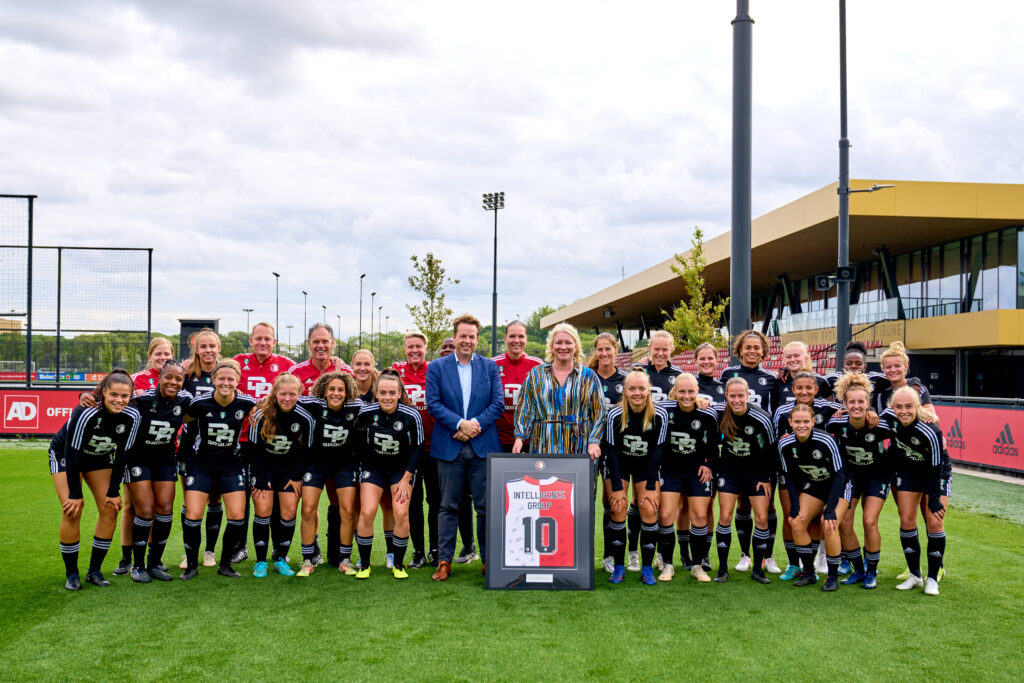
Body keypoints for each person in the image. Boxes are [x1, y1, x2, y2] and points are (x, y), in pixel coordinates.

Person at [426, 314, 504, 581]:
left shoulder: (490, 367)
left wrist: (474, 425)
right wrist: (459, 424)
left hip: (483, 446)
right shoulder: (437, 367)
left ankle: (488, 560)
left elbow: (497, 404)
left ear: (477, 339)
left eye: (472, 336)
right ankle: (444, 562)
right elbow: (433, 404)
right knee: (448, 506)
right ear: (455, 337)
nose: (467, 340)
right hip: (450, 445)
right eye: (463, 336)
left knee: (485, 508)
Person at [51, 370, 141, 590]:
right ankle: (72, 573)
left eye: (124, 396)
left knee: (110, 508)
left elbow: (123, 455)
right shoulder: (86, 411)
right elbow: (72, 452)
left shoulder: (133, 415)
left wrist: (113, 490)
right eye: (113, 395)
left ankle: (94, 571)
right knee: (72, 509)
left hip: (100, 457)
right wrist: (75, 494)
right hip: (66, 456)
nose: (119, 400)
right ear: (103, 392)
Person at [394, 332, 476, 569]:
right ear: (405, 349)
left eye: (419, 347)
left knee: (436, 500)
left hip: (434, 447)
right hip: (407, 449)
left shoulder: (435, 370)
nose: (414, 351)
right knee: (412, 501)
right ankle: (417, 551)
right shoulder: (397, 371)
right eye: (410, 347)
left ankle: (435, 548)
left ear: (426, 348)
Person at [179, 359, 257, 579]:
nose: (225, 382)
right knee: (193, 515)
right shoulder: (199, 403)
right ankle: (192, 564)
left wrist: (257, 412)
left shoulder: (246, 402)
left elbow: (264, 408)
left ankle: (224, 564)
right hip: (201, 464)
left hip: (230, 466)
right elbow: (178, 416)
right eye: (221, 378)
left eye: (230, 379)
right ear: (213, 380)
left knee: (237, 516)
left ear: (237, 381)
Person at [121, 361, 193, 582]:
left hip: (165, 460)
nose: (173, 382)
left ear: (183, 382)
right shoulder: (141, 398)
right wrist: (86, 397)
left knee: (165, 509)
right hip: (138, 459)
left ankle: (154, 564)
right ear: (160, 377)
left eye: (178, 379)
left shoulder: (185, 400)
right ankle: (137, 565)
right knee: (145, 510)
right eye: (168, 377)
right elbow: (112, 399)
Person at [353, 369, 424, 579]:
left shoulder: (411, 415)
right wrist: (361, 471)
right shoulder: (366, 413)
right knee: (367, 512)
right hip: (372, 469)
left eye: (392, 393)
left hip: (400, 471)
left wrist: (406, 479)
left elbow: (418, 448)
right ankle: (365, 564)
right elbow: (356, 443)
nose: (387, 397)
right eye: (383, 392)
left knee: (401, 513)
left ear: (400, 392)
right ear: (376, 392)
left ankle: (398, 564)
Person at [772, 371, 843, 579]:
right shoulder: (782, 412)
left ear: (816, 389)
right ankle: (796, 565)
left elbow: (856, 408)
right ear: (792, 389)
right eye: (799, 388)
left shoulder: (829, 409)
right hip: (796, 471)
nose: (804, 391)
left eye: (808, 388)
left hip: (826, 475)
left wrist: (864, 412)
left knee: (822, 522)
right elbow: (778, 439)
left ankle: (821, 567)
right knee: (793, 517)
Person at [719, 330, 779, 573]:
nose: (752, 351)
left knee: (768, 505)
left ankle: (769, 556)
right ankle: (745, 555)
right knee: (742, 505)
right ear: (740, 350)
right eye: (748, 347)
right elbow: (719, 406)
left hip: (761, 448)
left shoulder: (772, 377)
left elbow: (776, 409)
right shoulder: (727, 374)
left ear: (763, 350)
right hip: (735, 447)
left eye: (757, 347)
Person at [602, 369, 668, 585]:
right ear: (625, 391)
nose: (637, 393)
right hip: (619, 465)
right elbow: (610, 452)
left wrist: (650, 485)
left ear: (648, 390)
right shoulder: (614, 415)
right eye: (632, 388)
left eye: (641, 388)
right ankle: (619, 566)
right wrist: (618, 488)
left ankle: (647, 568)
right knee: (618, 507)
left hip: (645, 466)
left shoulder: (659, 415)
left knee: (649, 508)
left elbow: (657, 453)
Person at [828, 372, 894, 589]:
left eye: (861, 402)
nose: (856, 405)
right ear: (844, 403)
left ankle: (872, 572)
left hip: (877, 476)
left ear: (868, 403)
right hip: (851, 477)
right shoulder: (836, 424)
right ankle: (858, 570)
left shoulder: (880, 425)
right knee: (844, 522)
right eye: (852, 402)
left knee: (869, 521)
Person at [295, 371, 364, 576]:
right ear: (324, 391)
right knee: (308, 509)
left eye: (340, 389)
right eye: (332, 389)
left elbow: (376, 407)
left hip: (344, 466)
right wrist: (260, 404)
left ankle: (345, 559)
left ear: (347, 391)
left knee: (347, 510)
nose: (336, 393)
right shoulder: (313, 405)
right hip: (315, 465)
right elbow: (286, 397)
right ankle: (308, 559)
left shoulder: (356, 407)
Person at [247, 373, 315, 578]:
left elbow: (308, 450)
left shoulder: (305, 417)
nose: (287, 398)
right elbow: (254, 449)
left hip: (289, 471)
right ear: (275, 393)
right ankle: (260, 562)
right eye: (283, 394)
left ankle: (280, 559)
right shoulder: (261, 415)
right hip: (265, 470)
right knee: (263, 511)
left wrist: (297, 477)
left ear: (299, 394)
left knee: (288, 513)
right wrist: (259, 476)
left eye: (292, 394)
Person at [711, 377, 776, 585]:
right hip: (729, 471)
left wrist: (766, 477)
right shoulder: (720, 413)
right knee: (725, 516)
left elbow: (771, 450)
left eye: (741, 396)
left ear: (748, 395)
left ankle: (758, 569)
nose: (737, 400)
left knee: (762, 518)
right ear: (726, 396)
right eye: (732, 396)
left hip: (756, 472)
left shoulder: (762, 417)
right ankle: (722, 569)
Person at [883, 386, 947, 596]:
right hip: (909, 472)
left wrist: (934, 499)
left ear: (918, 406)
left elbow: (936, 466)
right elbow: (866, 415)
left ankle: (932, 579)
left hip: (935, 473)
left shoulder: (931, 430)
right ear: (892, 407)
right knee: (906, 519)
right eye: (899, 407)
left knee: (935, 520)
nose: (904, 411)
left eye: (909, 406)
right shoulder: (889, 418)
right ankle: (915, 575)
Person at [657, 373, 720, 583]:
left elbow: (713, 446)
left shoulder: (707, 414)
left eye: (691, 391)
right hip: (670, 470)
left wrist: (708, 464)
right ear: (675, 392)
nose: (686, 396)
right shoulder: (664, 411)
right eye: (682, 391)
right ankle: (667, 565)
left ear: (697, 392)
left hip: (696, 471)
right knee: (666, 516)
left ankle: (697, 565)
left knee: (700, 517)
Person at [778, 403, 848, 591]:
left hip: (839, 486)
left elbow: (840, 475)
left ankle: (832, 577)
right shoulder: (785, 444)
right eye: (798, 422)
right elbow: (789, 477)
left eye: (806, 421)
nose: (802, 425)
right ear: (791, 423)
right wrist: (794, 506)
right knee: (796, 522)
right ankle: (809, 573)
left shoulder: (825, 440)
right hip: (816, 486)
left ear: (813, 421)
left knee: (829, 523)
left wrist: (831, 509)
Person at [513, 322, 605, 458]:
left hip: (580, 447)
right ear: (551, 346)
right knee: (545, 480)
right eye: (558, 343)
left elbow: (599, 413)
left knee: (576, 480)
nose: (563, 347)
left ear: (575, 346)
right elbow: (524, 409)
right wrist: (519, 437)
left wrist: (594, 441)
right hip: (544, 445)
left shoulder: (588, 376)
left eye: (568, 342)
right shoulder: (536, 374)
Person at [589, 332, 626, 571]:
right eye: (600, 349)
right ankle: (582, 553)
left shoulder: (626, 379)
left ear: (615, 351)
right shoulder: (587, 378)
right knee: (588, 500)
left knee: (613, 501)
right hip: (592, 447)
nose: (604, 354)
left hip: (618, 449)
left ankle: (610, 556)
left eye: (608, 349)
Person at [289, 323, 353, 395]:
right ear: (309, 344)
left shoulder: (345, 371)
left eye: (325, 341)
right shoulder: (295, 372)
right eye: (316, 342)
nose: (320, 345)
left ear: (332, 343)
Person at [875, 341, 934, 414]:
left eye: (897, 366)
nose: (893, 370)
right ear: (883, 369)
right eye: (888, 367)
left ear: (905, 367)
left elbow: (934, 419)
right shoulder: (883, 393)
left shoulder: (917, 388)